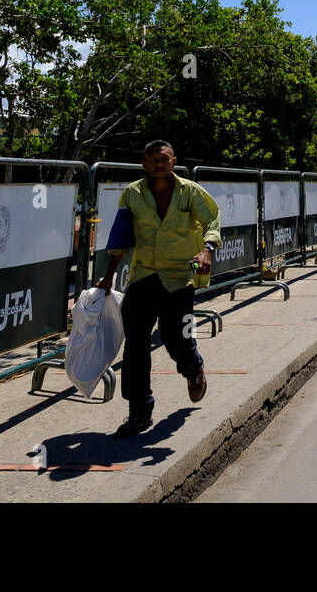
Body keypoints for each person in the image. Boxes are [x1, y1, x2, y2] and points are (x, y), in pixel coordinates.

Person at [98, 140, 220, 438]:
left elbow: (212, 220)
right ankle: (139, 412)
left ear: (173, 161)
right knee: (136, 343)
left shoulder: (190, 191)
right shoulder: (132, 194)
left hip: (182, 274)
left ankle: (192, 368)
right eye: (152, 160)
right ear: (144, 165)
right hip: (143, 275)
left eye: (163, 158)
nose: (158, 164)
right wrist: (108, 276)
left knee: (175, 337)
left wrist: (207, 250)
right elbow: (121, 237)